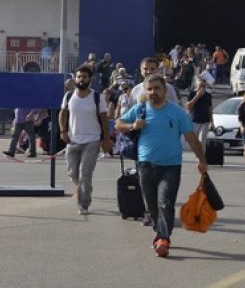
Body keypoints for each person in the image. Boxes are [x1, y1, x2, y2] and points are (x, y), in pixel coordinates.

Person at [116, 74, 208, 258]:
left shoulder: (177, 112)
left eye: (157, 88)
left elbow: (191, 137)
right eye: (149, 89)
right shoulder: (140, 109)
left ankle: (163, 238)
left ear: (164, 90)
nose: (153, 92)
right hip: (145, 165)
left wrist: (202, 160)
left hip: (170, 166)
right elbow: (119, 123)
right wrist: (133, 125)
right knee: (151, 206)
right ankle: (160, 233)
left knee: (165, 202)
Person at [59, 65, 112, 215]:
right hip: (73, 140)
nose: (81, 79)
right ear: (75, 78)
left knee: (84, 173)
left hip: (92, 140)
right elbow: (62, 114)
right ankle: (84, 188)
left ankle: (83, 204)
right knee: (72, 173)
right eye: (79, 77)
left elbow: (103, 118)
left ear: (90, 79)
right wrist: (63, 131)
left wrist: (106, 139)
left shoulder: (97, 97)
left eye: (85, 77)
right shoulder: (69, 96)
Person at [186, 78, 213, 145]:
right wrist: (197, 96)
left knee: (202, 139)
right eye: (200, 86)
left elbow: (210, 109)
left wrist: (212, 122)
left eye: (204, 86)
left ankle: (201, 154)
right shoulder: (192, 93)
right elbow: (188, 107)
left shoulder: (208, 95)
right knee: (194, 141)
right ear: (197, 86)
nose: (202, 88)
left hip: (205, 121)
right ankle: (197, 153)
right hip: (195, 120)